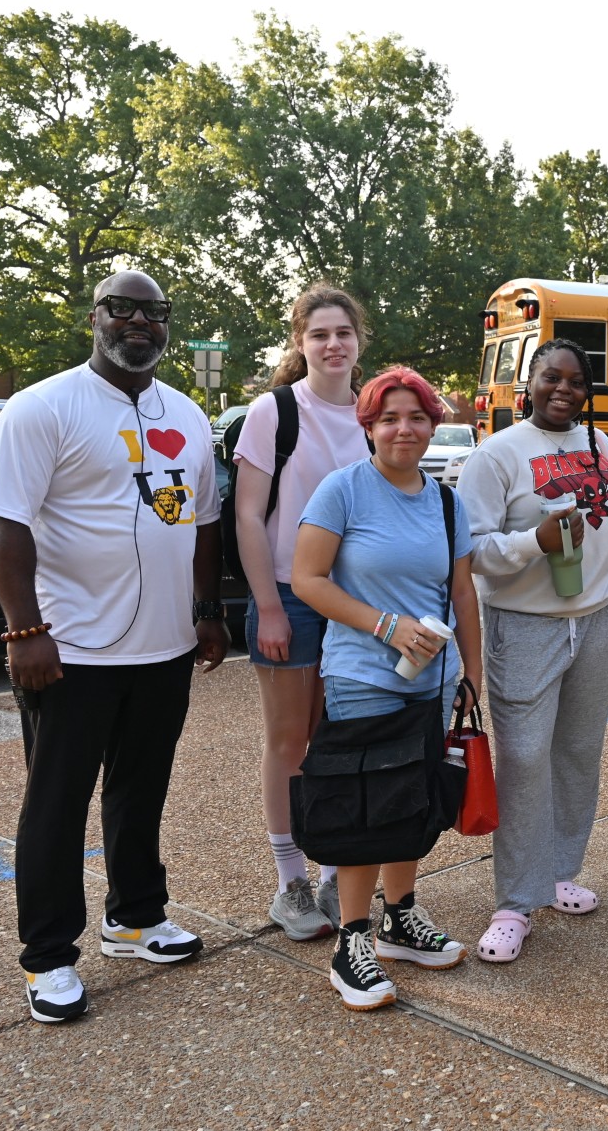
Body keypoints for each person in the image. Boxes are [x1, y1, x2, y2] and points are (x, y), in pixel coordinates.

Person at [0, 271, 230, 1025]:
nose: (140, 322)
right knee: (55, 804)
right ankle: (49, 955)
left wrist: (208, 610)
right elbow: (3, 526)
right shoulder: (41, 407)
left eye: (154, 312)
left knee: (140, 788)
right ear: (96, 317)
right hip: (70, 651)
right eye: (123, 308)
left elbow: (204, 520)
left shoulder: (183, 411)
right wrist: (24, 628)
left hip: (163, 647)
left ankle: (136, 917)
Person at [293, 366, 480, 1011]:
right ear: (368, 426)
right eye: (390, 418)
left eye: (417, 417)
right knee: (364, 806)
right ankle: (353, 941)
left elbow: (461, 594)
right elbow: (307, 579)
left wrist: (471, 676)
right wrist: (385, 626)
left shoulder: (448, 501)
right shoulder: (342, 490)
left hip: (430, 681)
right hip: (361, 676)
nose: (405, 429)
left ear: (434, 425)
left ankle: (401, 917)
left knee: (411, 800)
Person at [461, 339, 608, 962]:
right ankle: (515, 901)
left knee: (575, 753)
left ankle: (559, 870)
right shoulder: (496, 455)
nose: (562, 389)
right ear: (529, 383)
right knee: (524, 757)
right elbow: (475, 552)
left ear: (587, 392)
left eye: (575, 381)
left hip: (595, 617)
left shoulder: (599, 447)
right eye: (550, 378)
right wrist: (533, 542)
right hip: (525, 624)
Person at [232, 285, 371, 941]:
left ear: (358, 339)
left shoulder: (374, 415)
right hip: (290, 595)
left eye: (342, 332)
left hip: (354, 600)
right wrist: (267, 607)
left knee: (339, 739)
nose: (332, 344)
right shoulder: (275, 411)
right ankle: (290, 878)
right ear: (300, 342)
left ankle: (332, 868)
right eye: (319, 334)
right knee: (290, 740)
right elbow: (247, 516)